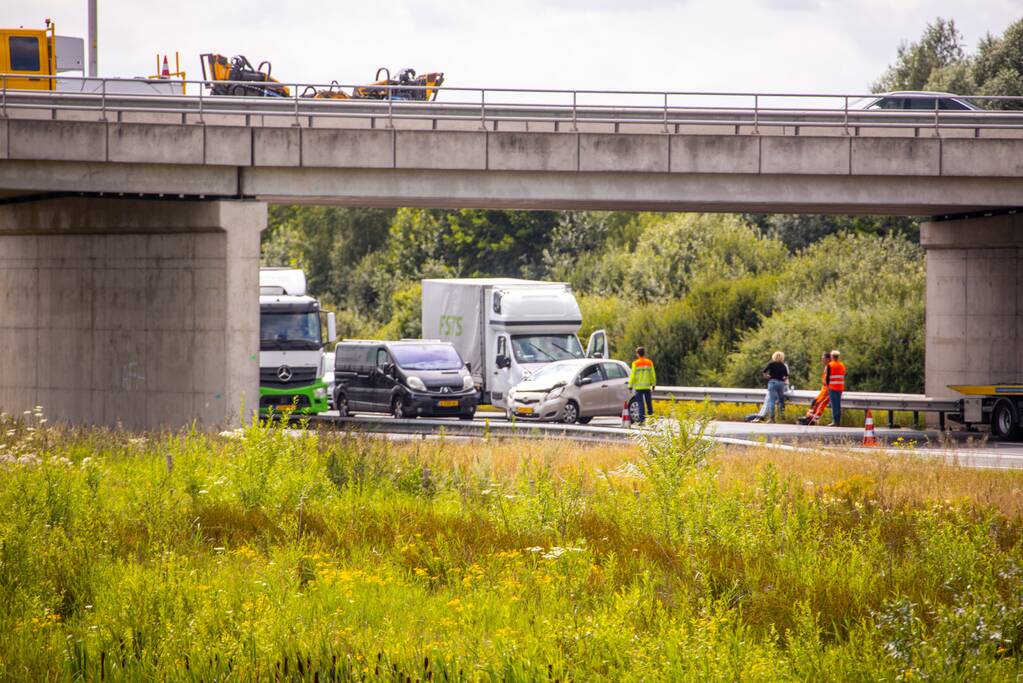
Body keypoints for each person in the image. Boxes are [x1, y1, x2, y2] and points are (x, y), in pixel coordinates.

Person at [799, 352, 832, 425]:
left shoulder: (830, 366)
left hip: (828, 390)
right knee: (814, 401)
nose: (822, 360)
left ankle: (813, 419)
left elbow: (829, 380)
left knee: (819, 403)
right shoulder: (826, 367)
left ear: (828, 359)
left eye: (823, 358)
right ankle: (810, 417)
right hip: (824, 389)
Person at [628, 347, 657, 425]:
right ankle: (652, 420)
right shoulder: (649, 362)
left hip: (639, 387)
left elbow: (632, 375)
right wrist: (653, 385)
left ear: (638, 354)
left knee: (640, 403)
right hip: (647, 387)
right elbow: (652, 374)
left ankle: (642, 420)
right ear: (644, 353)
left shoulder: (635, 363)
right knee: (649, 403)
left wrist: (630, 386)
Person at [761, 351, 789, 423]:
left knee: (772, 400)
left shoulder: (771, 364)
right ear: (782, 357)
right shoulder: (783, 366)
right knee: (781, 401)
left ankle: (772, 418)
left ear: (774, 356)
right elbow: (786, 376)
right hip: (781, 384)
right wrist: (783, 379)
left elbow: (764, 372)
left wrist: (767, 377)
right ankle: (782, 418)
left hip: (772, 382)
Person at [826, 349, 846, 426]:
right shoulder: (842, 365)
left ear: (832, 356)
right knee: (838, 404)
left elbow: (828, 377)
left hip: (833, 387)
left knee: (834, 405)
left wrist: (827, 386)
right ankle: (838, 421)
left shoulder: (830, 365)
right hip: (840, 387)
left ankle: (835, 421)